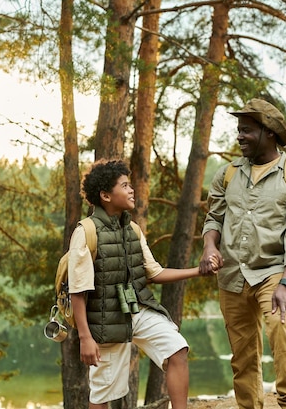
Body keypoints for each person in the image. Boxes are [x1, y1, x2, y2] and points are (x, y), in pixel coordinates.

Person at [68, 159, 215, 409]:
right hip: (105, 320)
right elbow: (78, 291)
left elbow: (154, 272)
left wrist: (198, 272)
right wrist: (85, 337)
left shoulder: (133, 229)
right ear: (105, 195)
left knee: (177, 349)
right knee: (103, 393)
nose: (131, 190)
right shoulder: (86, 232)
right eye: (124, 185)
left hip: (137, 309)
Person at [199, 98, 286, 409]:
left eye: (247, 130)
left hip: (275, 272)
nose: (240, 136)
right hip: (232, 276)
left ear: (270, 133)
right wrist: (210, 246)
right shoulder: (226, 174)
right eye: (239, 130)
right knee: (243, 355)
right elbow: (214, 218)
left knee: (282, 330)